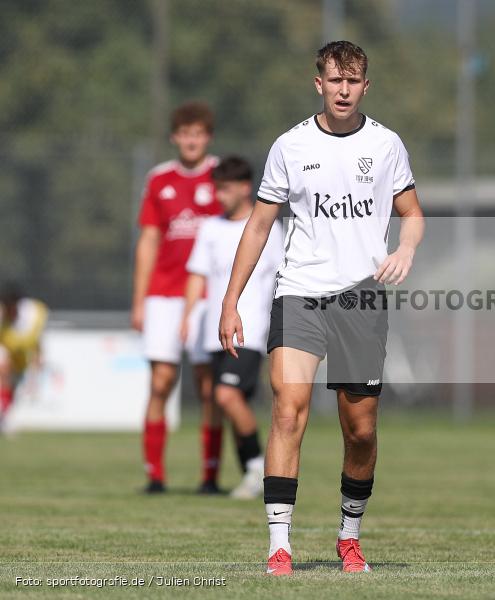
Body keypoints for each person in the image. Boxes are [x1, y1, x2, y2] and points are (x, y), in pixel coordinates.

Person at [218, 41, 424, 575]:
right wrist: (231, 299)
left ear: (365, 86)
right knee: (288, 408)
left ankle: (348, 535)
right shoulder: (290, 145)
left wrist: (405, 247)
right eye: (335, 81)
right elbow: (260, 224)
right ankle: (279, 544)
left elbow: (413, 213)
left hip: (360, 301)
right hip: (300, 292)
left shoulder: (386, 145)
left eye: (352, 82)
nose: (343, 90)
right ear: (319, 83)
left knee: (359, 430)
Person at [132, 101, 224, 494]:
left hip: (207, 296)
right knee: (161, 380)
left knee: (209, 385)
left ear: (207, 137)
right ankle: (154, 474)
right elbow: (149, 240)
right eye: (185, 133)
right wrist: (138, 300)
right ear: (175, 137)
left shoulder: (223, 177)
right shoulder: (159, 180)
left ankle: (210, 474)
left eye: (198, 133)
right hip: (164, 295)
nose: (191, 140)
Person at [182, 156, 283, 499]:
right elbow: (198, 275)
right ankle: (248, 471)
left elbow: (282, 276)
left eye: (224, 189)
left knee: (226, 395)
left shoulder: (267, 228)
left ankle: (256, 467)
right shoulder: (210, 228)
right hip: (214, 330)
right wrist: (187, 316)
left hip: (250, 331)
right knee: (219, 400)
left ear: (244, 188)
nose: (219, 195)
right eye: (216, 189)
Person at [0, 283, 48, 423]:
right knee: (3, 368)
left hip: (20, 359)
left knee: (11, 388)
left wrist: (38, 356)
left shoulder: (34, 315)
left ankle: (3, 418)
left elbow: (36, 340)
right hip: (5, 351)